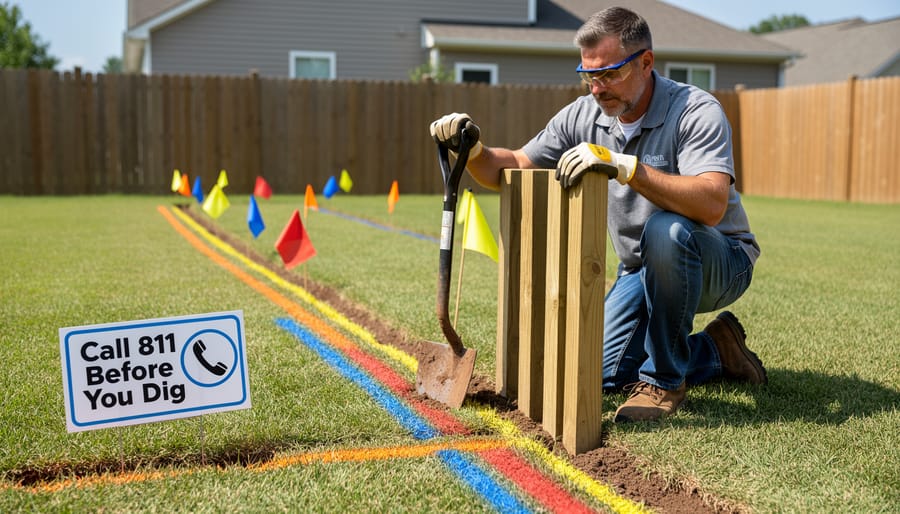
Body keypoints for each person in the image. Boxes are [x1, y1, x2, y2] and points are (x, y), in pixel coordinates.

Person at [430, 6, 767, 423]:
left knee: (666, 228)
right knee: (599, 373)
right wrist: (473, 150)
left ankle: (663, 382)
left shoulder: (695, 110)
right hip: (641, 270)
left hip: (719, 260)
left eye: (609, 74)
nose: (596, 88)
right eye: (588, 75)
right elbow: (514, 165)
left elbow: (712, 203)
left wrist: (625, 167)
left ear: (646, 62)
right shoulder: (582, 116)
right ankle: (717, 350)